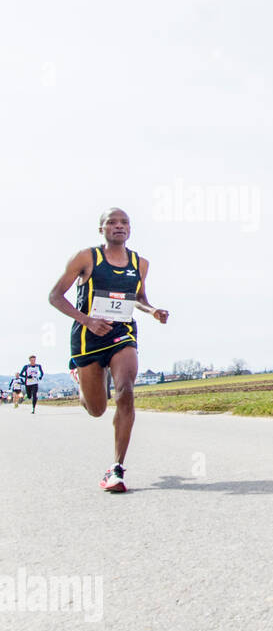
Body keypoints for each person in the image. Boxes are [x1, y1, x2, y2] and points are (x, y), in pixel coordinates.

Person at [48, 208, 169, 492]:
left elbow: (138, 298)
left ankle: (116, 469)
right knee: (96, 409)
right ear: (101, 229)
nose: (118, 226)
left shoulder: (140, 263)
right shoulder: (86, 258)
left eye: (124, 222)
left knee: (125, 390)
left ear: (130, 228)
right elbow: (55, 296)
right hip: (87, 337)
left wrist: (152, 311)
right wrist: (87, 320)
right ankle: (82, 380)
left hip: (121, 334)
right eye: (111, 223)